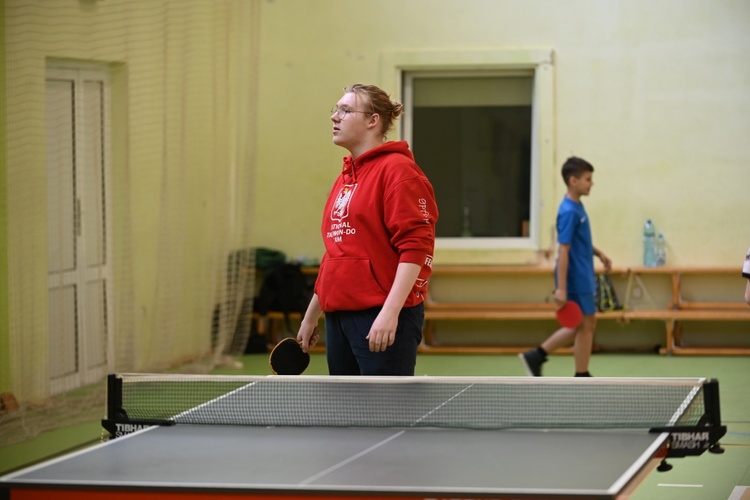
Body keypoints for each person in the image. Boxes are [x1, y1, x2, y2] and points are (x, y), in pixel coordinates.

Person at [296, 84, 438, 376]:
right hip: (339, 316)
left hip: (381, 316)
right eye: (335, 110)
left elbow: (416, 247)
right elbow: (337, 252)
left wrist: (390, 312)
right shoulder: (346, 178)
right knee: (349, 415)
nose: (335, 117)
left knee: (385, 415)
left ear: (373, 121)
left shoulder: (399, 171)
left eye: (346, 110)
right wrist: (312, 316)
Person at [519, 156, 611, 377]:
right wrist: (561, 287)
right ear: (573, 181)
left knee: (581, 324)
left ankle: (537, 355)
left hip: (583, 274)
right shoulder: (569, 211)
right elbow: (563, 251)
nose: (592, 183)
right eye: (588, 179)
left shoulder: (577, 207)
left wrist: (599, 254)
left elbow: (580, 242)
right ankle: (581, 374)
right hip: (576, 278)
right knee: (587, 324)